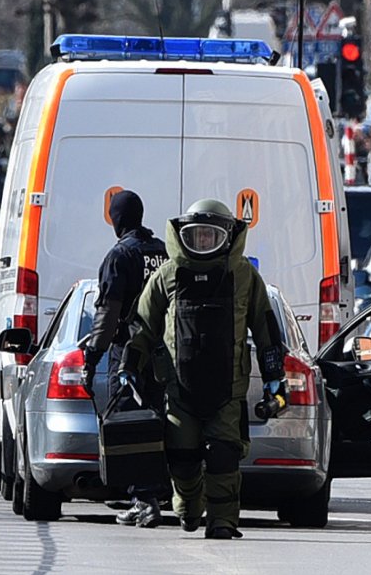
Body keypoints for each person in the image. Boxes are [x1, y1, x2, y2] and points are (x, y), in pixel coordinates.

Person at [118, 198, 286, 540]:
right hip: (179, 389)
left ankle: (223, 521)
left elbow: (266, 329)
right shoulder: (167, 275)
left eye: (212, 236)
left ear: (228, 236)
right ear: (185, 237)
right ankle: (188, 507)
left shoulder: (244, 276)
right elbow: (143, 327)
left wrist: (274, 378)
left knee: (224, 455)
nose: (205, 242)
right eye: (197, 236)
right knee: (182, 457)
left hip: (228, 389)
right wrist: (129, 366)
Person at [82, 190, 169, 529]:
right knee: (159, 421)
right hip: (166, 353)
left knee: (132, 426)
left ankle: (145, 501)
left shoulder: (120, 256)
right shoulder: (162, 252)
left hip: (131, 354)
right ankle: (150, 495)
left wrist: (92, 357)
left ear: (116, 218)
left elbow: (108, 313)